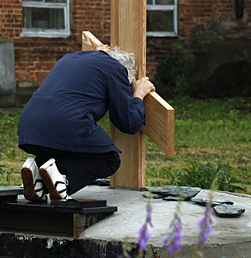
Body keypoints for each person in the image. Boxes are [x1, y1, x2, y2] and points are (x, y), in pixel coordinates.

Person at [17, 45, 154, 201]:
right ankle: (61, 176)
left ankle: (36, 169)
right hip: (66, 123)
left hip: (29, 128)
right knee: (108, 159)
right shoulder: (116, 68)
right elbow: (129, 123)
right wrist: (138, 94)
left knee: (65, 149)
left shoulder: (69, 58)